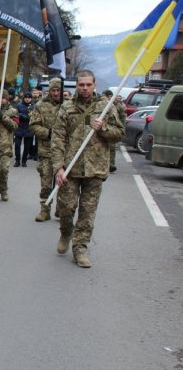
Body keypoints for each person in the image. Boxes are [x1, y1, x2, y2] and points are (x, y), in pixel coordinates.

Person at [52, 70, 124, 268]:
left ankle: (80, 249)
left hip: (95, 168)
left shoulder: (105, 107)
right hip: (71, 168)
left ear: (94, 85)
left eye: (88, 85)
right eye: (81, 84)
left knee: (87, 211)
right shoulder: (67, 107)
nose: (85, 88)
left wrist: (104, 128)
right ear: (77, 85)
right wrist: (58, 167)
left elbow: (119, 133)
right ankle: (66, 232)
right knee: (66, 207)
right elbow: (57, 138)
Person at [30, 78, 62, 221]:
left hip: (65, 152)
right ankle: (45, 209)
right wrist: (48, 133)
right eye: (53, 90)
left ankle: (61, 209)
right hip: (46, 151)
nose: (56, 93)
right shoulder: (40, 106)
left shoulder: (69, 105)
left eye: (58, 90)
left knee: (64, 184)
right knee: (46, 183)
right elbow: (33, 125)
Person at [103, 90, 127, 173]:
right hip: (102, 128)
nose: (108, 98)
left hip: (113, 128)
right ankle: (104, 164)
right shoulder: (101, 104)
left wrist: (122, 128)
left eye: (110, 96)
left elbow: (123, 117)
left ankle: (111, 164)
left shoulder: (118, 105)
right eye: (107, 96)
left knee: (112, 148)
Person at [14, 92, 34, 167]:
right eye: (26, 97)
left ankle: (24, 161)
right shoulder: (19, 105)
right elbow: (15, 114)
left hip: (28, 128)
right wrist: (21, 115)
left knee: (27, 146)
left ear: (31, 98)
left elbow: (35, 116)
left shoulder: (33, 106)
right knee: (17, 145)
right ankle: (17, 160)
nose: (27, 99)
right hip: (19, 127)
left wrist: (28, 117)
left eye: (29, 98)